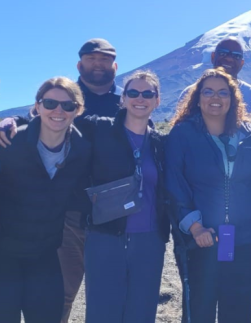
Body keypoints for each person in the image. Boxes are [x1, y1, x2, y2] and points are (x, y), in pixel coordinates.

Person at [0, 38, 122, 323]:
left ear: (115, 65)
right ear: (80, 64)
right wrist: (9, 120)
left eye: (104, 59)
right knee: (60, 293)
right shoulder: (62, 96)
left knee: (107, 294)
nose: (97, 64)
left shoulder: (129, 100)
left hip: (109, 214)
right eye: (91, 59)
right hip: (66, 214)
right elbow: (35, 116)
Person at [0, 77, 91, 323]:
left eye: (68, 106)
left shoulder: (81, 150)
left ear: (78, 110)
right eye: (50, 103)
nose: (58, 111)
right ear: (38, 106)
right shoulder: (8, 142)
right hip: (1, 256)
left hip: (45, 256)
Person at [165, 68, 251, 323]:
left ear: (233, 99)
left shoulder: (249, 134)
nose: (215, 97)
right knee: (200, 306)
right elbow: (174, 183)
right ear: (197, 97)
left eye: (223, 92)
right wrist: (195, 226)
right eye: (207, 91)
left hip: (247, 239)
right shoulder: (183, 134)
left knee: (240, 307)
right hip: (203, 238)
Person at [77, 70, 169, 323]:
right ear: (123, 99)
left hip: (150, 240)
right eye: (133, 93)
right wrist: (12, 122)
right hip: (105, 237)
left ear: (157, 100)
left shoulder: (161, 143)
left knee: (142, 311)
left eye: (147, 93)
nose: (140, 98)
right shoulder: (99, 128)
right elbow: (56, 119)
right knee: (102, 311)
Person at [179, 37, 251, 113]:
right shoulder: (189, 93)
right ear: (213, 57)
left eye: (236, 56)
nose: (229, 58)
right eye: (223, 53)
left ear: (242, 63)